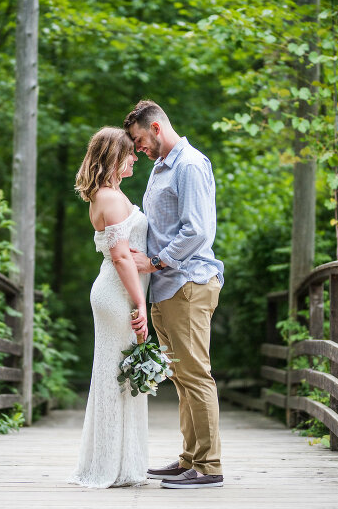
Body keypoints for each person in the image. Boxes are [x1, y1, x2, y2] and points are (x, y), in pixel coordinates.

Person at [124, 100, 224, 489]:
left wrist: (154, 262)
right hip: (167, 289)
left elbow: (197, 230)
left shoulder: (189, 165)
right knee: (181, 377)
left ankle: (209, 466)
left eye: (139, 140)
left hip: (187, 284)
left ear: (156, 128)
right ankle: (189, 459)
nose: (138, 149)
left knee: (196, 374)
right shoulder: (160, 167)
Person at [70, 126, 150, 488]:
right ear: (114, 156)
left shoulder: (105, 195)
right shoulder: (113, 199)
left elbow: (123, 254)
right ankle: (111, 465)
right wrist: (140, 305)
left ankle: (116, 461)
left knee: (114, 374)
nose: (135, 157)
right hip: (118, 294)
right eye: (130, 152)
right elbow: (120, 257)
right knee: (117, 376)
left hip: (112, 291)